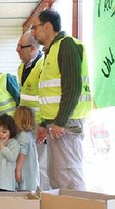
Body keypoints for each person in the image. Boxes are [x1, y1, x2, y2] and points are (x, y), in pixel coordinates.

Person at [31, 9, 92, 190]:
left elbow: (72, 87)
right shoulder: (51, 51)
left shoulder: (66, 45)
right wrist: (44, 123)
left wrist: (60, 122)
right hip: (57, 124)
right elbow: (51, 94)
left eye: (35, 28)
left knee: (68, 175)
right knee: (58, 176)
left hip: (66, 124)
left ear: (47, 26)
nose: (33, 33)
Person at [16, 32, 50, 190]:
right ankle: (31, 192)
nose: (17, 50)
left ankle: (44, 197)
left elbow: (47, 97)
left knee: (41, 163)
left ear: (31, 48)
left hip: (39, 125)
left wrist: (44, 123)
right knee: (28, 161)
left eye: (20, 47)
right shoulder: (21, 67)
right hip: (25, 125)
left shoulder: (43, 66)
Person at [14, 106, 40, 191]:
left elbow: (22, 153)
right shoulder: (29, 135)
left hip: (24, 170)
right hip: (31, 171)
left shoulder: (22, 136)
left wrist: (18, 169)